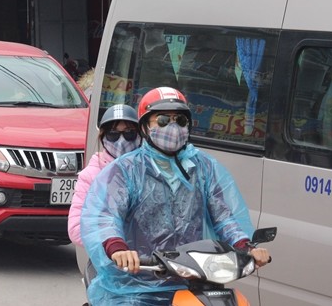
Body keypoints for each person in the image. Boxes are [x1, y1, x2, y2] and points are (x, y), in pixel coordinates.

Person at [80, 87, 271, 305]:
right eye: (162, 120)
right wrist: (118, 248)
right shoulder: (125, 170)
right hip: (135, 283)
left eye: (180, 120)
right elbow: (105, 216)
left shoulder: (203, 167)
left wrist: (246, 245)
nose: (173, 127)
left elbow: (225, 217)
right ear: (145, 127)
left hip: (193, 280)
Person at [68, 104, 140, 289]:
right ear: (103, 138)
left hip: (150, 264)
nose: (122, 140)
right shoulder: (91, 176)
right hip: (110, 268)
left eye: (130, 133)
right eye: (114, 134)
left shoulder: (149, 172)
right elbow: (77, 228)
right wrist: (114, 245)